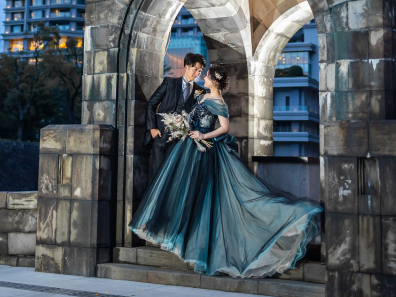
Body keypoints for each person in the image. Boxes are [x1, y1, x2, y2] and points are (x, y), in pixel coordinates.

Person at [130, 65, 323, 278]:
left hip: (204, 152)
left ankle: (288, 217)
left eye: (207, 75)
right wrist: (183, 127)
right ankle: (186, 240)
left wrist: (204, 136)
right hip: (189, 150)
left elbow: (225, 128)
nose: (203, 77)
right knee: (186, 197)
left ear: (214, 80)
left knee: (210, 201)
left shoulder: (218, 102)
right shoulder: (202, 97)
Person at [145, 53, 207, 174]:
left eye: (200, 71)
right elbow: (151, 104)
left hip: (182, 141)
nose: (197, 73)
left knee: (175, 175)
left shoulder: (201, 91)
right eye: (195, 69)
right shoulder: (169, 83)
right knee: (158, 174)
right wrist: (152, 128)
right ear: (186, 67)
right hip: (161, 136)